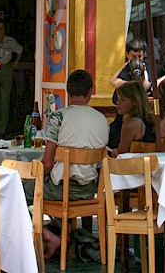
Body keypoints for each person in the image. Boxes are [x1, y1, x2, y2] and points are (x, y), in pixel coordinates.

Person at [24, 69, 109, 259]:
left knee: (15, 190)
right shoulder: (102, 119)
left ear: (67, 91)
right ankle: (67, 234)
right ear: (90, 92)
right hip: (89, 190)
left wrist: (31, 174)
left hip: (62, 190)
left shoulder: (58, 117)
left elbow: (46, 164)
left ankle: (49, 236)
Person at [110, 81, 156, 157]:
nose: (117, 102)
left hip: (132, 166)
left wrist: (111, 152)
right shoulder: (152, 120)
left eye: (122, 99)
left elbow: (121, 153)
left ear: (134, 101)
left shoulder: (130, 125)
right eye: (118, 99)